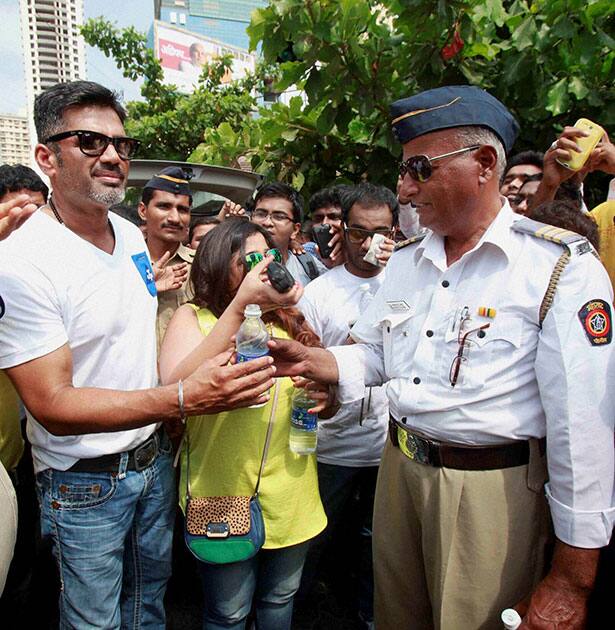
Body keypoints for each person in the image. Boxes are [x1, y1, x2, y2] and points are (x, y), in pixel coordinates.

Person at [268, 85, 615, 629]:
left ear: (483, 164)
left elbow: (584, 432)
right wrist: (325, 364)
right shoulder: (405, 263)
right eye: (404, 170)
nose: (404, 190)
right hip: (399, 472)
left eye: (420, 169)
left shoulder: (558, 268)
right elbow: (378, 356)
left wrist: (573, 575)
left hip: (488, 494)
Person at [0, 80, 281, 629]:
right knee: (95, 622)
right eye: (88, 141)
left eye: (121, 145)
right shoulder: (22, 262)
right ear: (45, 157)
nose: (111, 156)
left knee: (148, 606)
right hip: (83, 481)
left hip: (150, 465)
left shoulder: (130, 237)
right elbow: (52, 406)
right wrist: (181, 398)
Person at [159, 219, 327, 629]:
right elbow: (172, 390)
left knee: (278, 599)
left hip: (291, 491)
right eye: (251, 260)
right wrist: (240, 309)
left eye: (268, 257)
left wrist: (327, 396)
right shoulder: (193, 317)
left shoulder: (291, 321)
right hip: (222, 492)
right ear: (221, 265)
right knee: (229, 612)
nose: (263, 268)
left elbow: (323, 396)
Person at [298, 182, 397, 628]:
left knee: (380, 545)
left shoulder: (410, 283)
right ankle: (302, 610)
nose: (368, 243)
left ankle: (369, 615)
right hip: (332, 447)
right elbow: (306, 366)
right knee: (315, 538)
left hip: (389, 447)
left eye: (380, 232)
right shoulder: (320, 293)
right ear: (342, 229)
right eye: (358, 231)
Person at [138, 166, 193, 349]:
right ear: (143, 211)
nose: (175, 218)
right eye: (164, 206)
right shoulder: (122, 264)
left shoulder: (203, 266)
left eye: (183, 210)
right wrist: (144, 290)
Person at [249, 182, 328, 285]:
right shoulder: (235, 265)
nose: (267, 222)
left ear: (295, 230)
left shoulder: (311, 267)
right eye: (260, 214)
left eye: (279, 217)